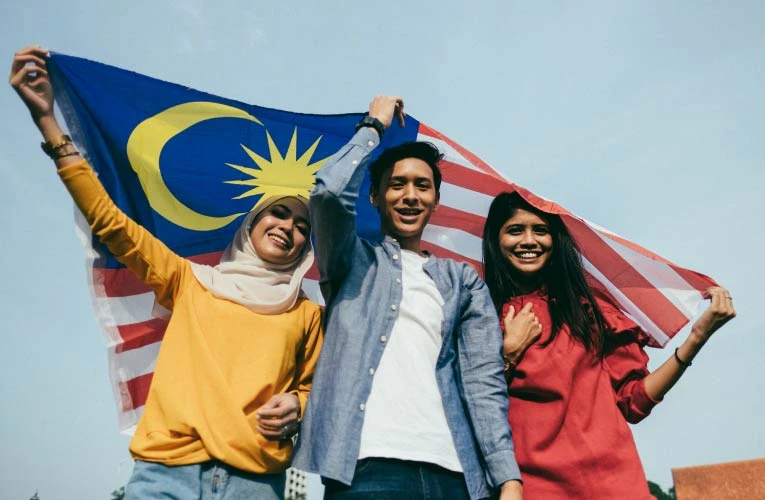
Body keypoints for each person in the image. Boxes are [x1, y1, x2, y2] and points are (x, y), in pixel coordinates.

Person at [10, 46, 323, 499]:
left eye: (302, 227)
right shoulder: (189, 281)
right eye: (278, 213)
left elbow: (315, 389)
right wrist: (48, 123)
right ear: (251, 223)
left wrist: (297, 404)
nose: (289, 227)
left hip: (255, 483)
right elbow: (111, 224)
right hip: (166, 475)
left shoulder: (306, 314)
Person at [292, 96, 523, 500]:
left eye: (422, 186)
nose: (411, 195)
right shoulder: (350, 261)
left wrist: (508, 477)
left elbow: (482, 381)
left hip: (455, 474)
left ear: (435, 199)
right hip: (365, 469)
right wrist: (373, 126)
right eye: (397, 185)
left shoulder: (462, 281)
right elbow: (328, 194)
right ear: (374, 197)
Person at [481, 191, 737, 499]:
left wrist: (697, 337)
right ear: (495, 239)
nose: (529, 241)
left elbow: (634, 401)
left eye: (540, 230)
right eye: (515, 230)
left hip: (613, 484)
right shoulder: (478, 318)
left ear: (556, 239)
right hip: (532, 488)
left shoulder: (589, 309)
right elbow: (474, 406)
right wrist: (507, 353)